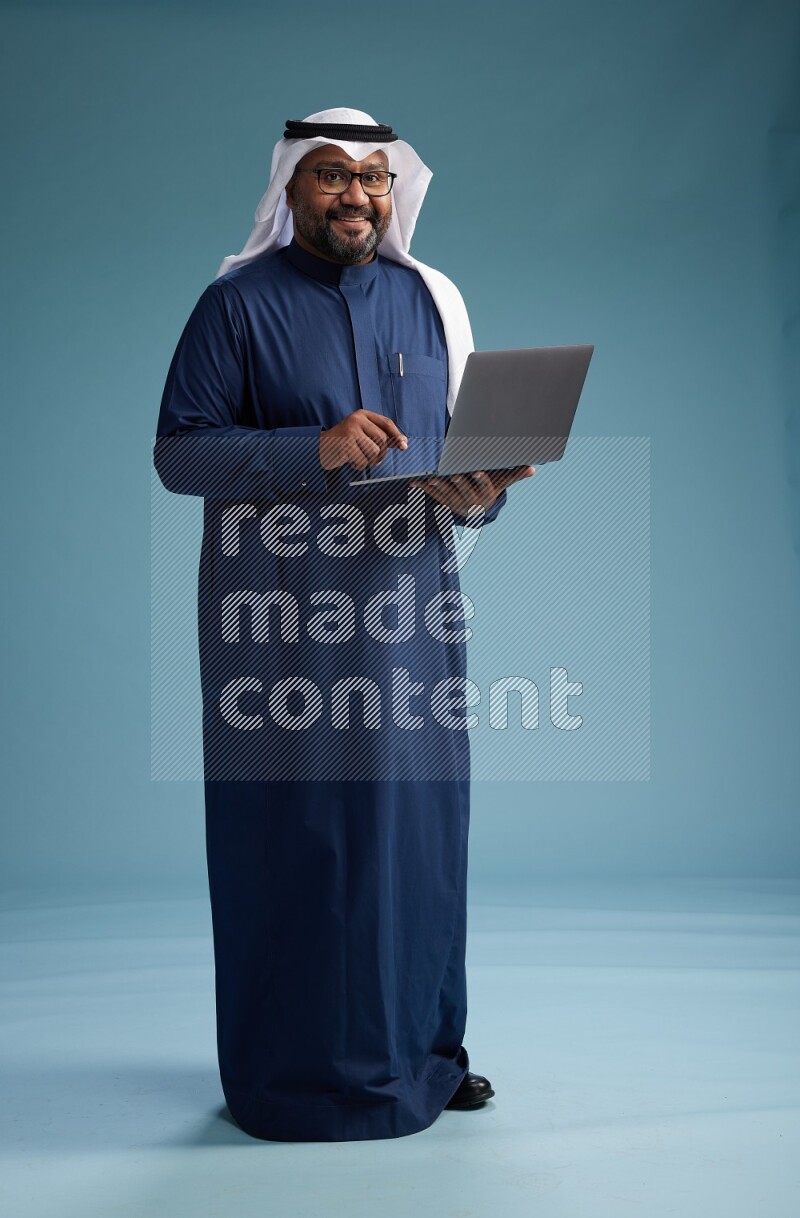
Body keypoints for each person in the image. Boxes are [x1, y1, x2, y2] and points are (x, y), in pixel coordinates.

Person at [153, 108, 534, 1142]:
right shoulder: (235, 307)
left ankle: (424, 1056)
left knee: (419, 833)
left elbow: (459, 463)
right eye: (331, 176)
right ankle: (292, 1076)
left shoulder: (430, 300)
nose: (356, 195)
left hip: (412, 611)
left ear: (392, 192)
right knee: (303, 834)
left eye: (372, 177)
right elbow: (180, 454)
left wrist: (479, 497)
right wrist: (311, 449)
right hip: (281, 617)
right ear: (289, 189)